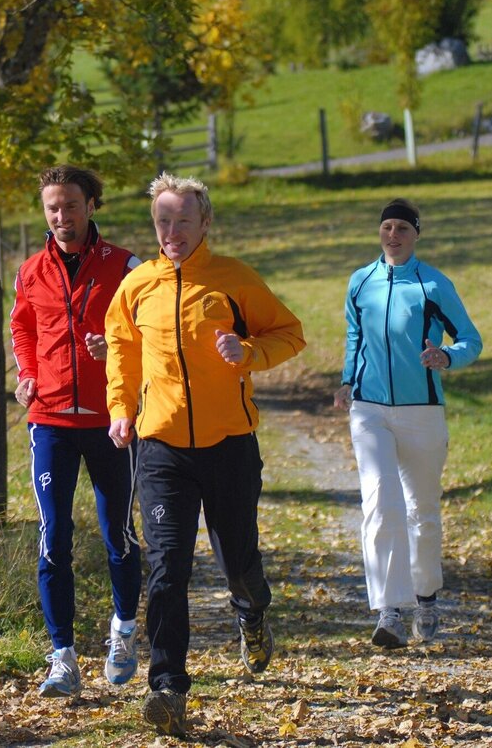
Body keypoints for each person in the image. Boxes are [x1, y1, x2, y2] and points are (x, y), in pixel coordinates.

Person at [104, 172, 305, 736]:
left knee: (237, 563)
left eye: (182, 220)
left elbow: (290, 333)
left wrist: (248, 352)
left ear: (205, 221)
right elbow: (120, 347)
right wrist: (120, 407)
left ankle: (252, 612)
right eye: (162, 221)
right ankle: (168, 686)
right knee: (166, 569)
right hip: (161, 445)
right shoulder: (138, 284)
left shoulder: (234, 279)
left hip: (229, 445)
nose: (171, 231)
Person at [10, 164, 143, 698]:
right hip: (50, 421)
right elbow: (22, 325)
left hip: (112, 421)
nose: (61, 216)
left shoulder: (127, 267)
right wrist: (26, 373)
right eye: (52, 208)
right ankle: (62, 656)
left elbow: (147, 334)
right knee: (53, 540)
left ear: (92, 205)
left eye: (70, 205)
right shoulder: (30, 270)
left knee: (119, 536)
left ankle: (124, 631)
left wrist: (116, 354)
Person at [333, 198, 482, 649]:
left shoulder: (434, 284)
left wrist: (448, 357)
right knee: (381, 503)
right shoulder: (361, 282)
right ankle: (389, 611)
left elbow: (471, 339)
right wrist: (346, 383)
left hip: (422, 411)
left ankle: (427, 597)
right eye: (387, 227)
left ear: (416, 234)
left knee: (422, 511)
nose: (392, 234)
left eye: (402, 228)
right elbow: (354, 337)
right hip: (369, 409)